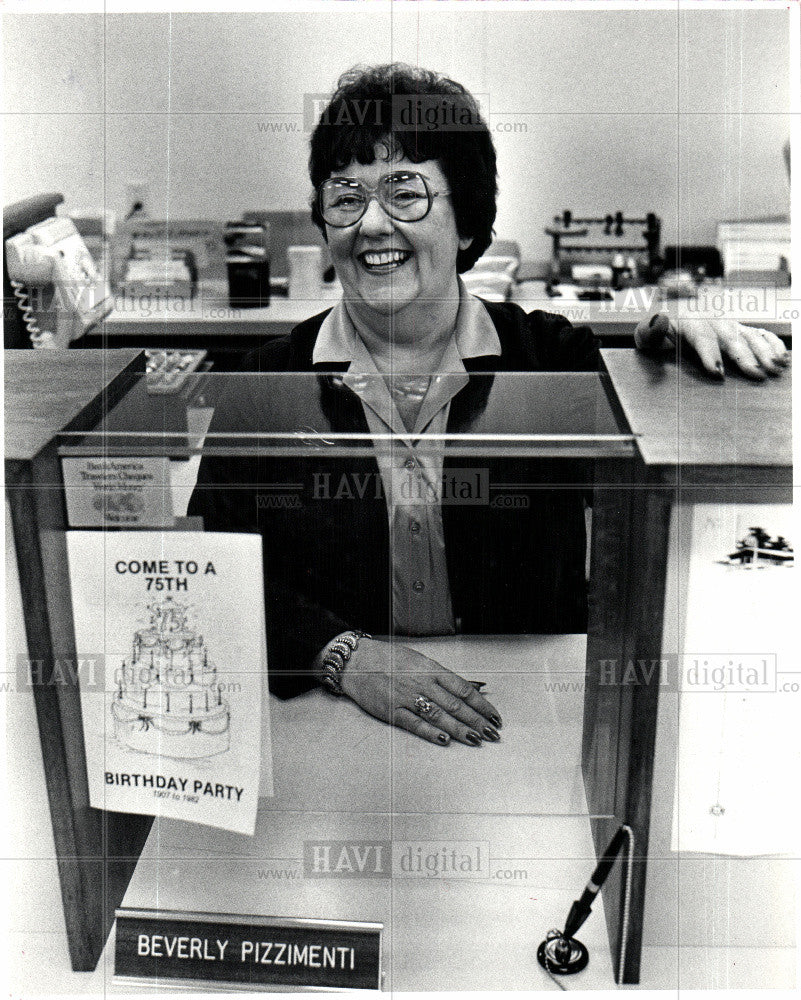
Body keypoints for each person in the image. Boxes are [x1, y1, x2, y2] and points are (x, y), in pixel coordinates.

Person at [188, 63, 788, 748]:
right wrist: (341, 653)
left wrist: (672, 347)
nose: (371, 225)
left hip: (527, 718)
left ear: (467, 220)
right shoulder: (267, 384)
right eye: (345, 197)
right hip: (331, 718)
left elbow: (665, 486)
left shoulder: (548, 360)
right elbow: (213, 573)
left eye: (404, 192)